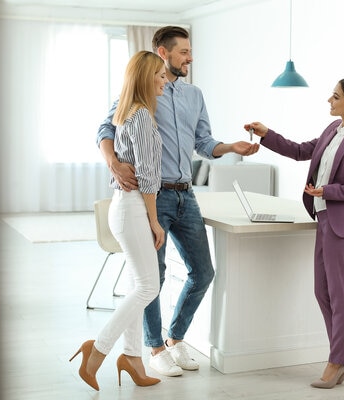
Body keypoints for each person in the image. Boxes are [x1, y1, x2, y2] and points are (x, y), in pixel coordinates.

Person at [96, 26, 259, 377]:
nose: (190, 57)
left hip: (186, 195)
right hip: (150, 198)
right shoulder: (142, 91)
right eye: (184, 51)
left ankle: (175, 338)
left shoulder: (194, 95)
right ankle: (154, 348)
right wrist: (113, 161)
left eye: (190, 51)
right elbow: (106, 129)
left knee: (203, 272)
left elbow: (204, 143)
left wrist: (230, 147)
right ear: (162, 52)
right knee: (152, 277)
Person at [244, 77, 344, 389]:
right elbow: (298, 151)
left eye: (335, 97)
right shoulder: (331, 131)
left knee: (339, 293)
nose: (329, 101)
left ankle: (338, 361)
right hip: (324, 220)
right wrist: (267, 135)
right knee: (322, 292)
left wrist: (328, 191)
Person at [70, 51, 169, 391]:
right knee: (148, 287)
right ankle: (96, 350)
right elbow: (148, 176)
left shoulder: (130, 114)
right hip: (132, 208)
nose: (164, 79)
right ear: (145, 77)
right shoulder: (141, 117)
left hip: (125, 206)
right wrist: (155, 221)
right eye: (159, 74)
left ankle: (132, 359)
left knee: (136, 284)